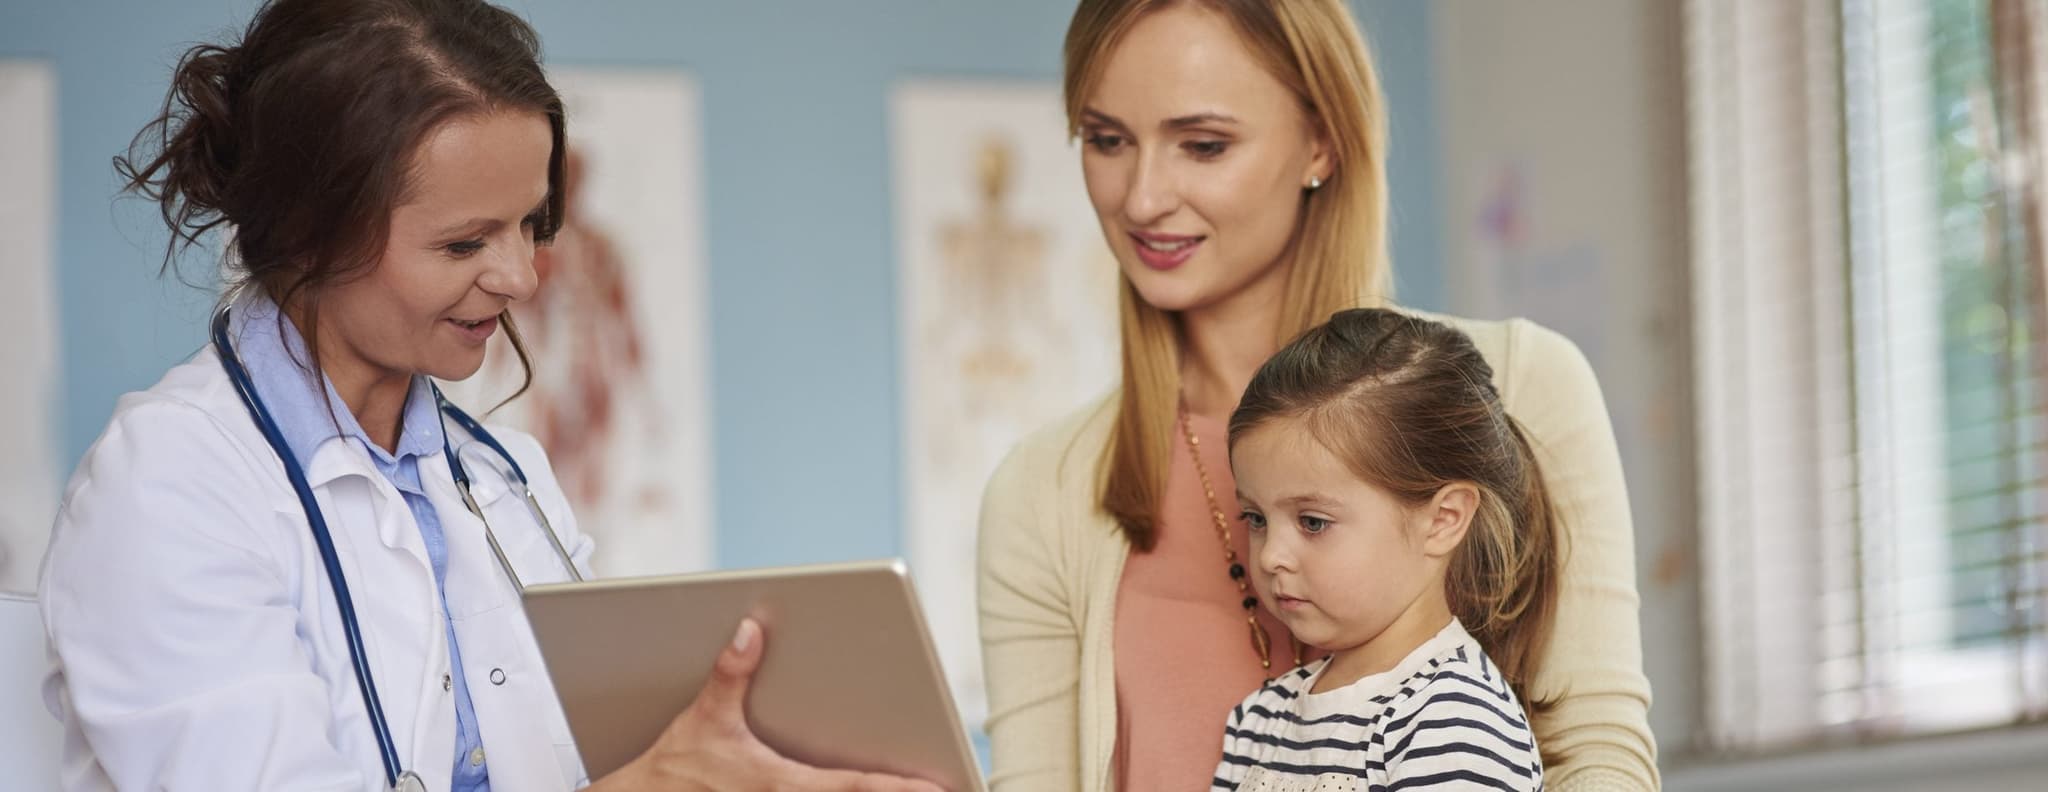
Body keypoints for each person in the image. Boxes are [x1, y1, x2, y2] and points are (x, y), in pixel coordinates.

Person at [37, 2, 937, 790]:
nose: (520, 277)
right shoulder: (168, 485)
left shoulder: (510, 482)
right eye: (465, 244)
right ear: (309, 232)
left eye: (531, 225)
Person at [975, 1, 1659, 790]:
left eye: (1203, 145)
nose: (1141, 198)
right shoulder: (1041, 492)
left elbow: (1600, 757)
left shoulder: (1521, 386)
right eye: (1106, 140)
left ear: (1321, 142)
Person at [1213, 308, 1553, 791]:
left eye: (1313, 522)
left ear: (1444, 519)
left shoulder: (1457, 722)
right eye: (1256, 519)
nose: (1270, 557)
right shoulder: (1259, 721)